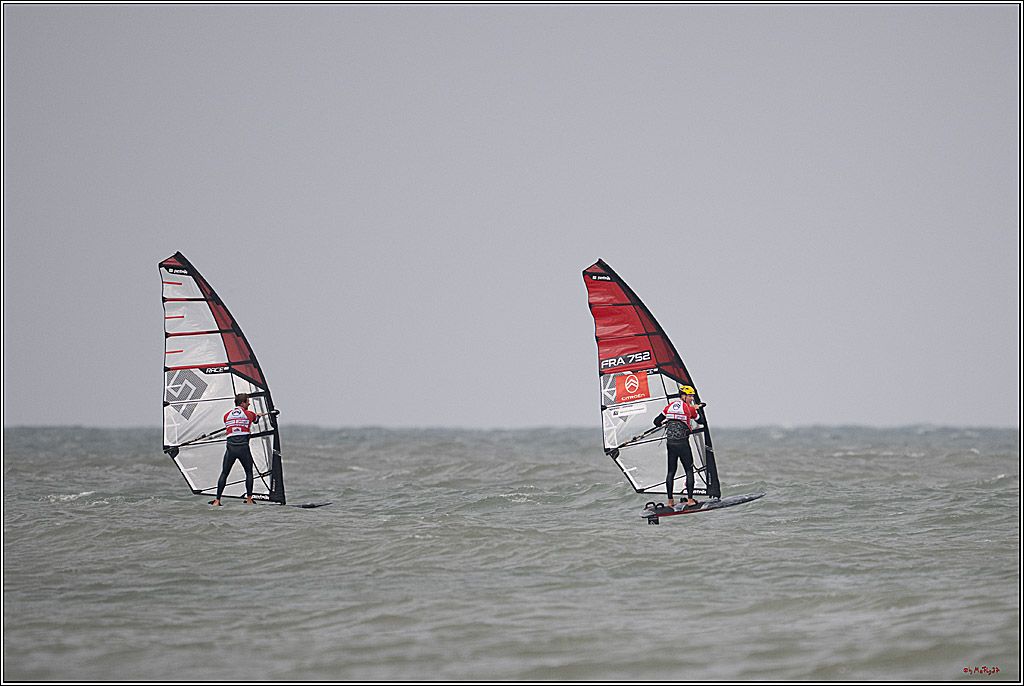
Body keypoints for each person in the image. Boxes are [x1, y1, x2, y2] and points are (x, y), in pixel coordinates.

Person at [211, 393, 272, 506]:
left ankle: (217, 500)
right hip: (243, 448)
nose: (249, 403)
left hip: (230, 448)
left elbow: (233, 425)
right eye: (247, 401)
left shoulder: (227, 415)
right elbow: (255, 420)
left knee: (224, 473)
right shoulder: (249, 414)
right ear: (242, 403)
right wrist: (258, 416)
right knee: (249, 472)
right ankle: (249, 499)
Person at [653, 384, 706, 508]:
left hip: (670, 443)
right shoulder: (689, 409)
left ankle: (670, 501)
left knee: (671, 471)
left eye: (693, 396)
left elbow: (656, 421)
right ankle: (691, 500)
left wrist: (662, 422)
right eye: (690, 396)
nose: (692, 398)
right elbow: (701, 421)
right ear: (683, 396)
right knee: (689, 470)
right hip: (682, 443)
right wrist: (697, 409)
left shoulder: (669, 407)